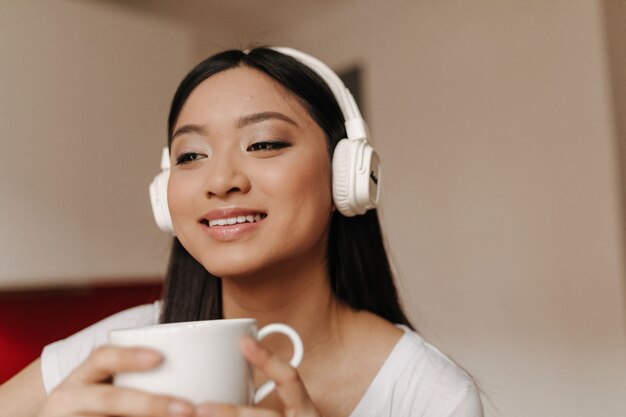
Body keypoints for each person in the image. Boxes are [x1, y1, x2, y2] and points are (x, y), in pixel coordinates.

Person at [0, 47, 483, 417]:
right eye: (191, 155)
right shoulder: (120, 350)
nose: (220, 180)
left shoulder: (429, 395)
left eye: (264, 143)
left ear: (346, 176)